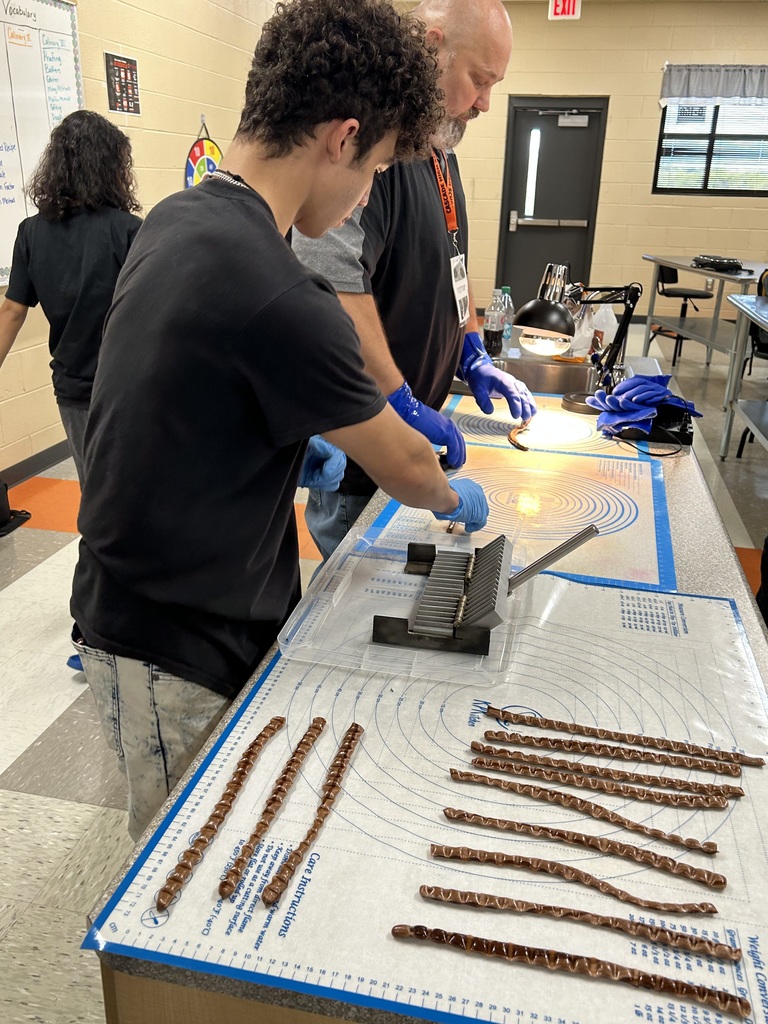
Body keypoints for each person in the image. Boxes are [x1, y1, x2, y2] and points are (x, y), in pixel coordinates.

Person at [69, 0, 489, 841]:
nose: (366, 194)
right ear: (342, 137)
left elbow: (182, 402)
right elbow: (407, 467)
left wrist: (289, 452)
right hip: (175, 640)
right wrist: (452, 497)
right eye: (375, 169)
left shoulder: (183, 216)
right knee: (188, 859)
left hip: (136, 602)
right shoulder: (279, 288)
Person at [293, 0, 537, 562]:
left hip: (414, 448)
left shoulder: (439, 151)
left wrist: (471, 348)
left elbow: (453, 257)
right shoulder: (374, 148)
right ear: (432, 48)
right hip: (367, 455)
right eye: (479, 80)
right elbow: (329, 277)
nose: (485, 102)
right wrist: (397, 399)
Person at [0, 110, 142, 485]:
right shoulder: (128, 231)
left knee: (94, 489)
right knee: (136, 490)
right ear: (110, 166)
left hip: (73, 389)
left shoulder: (30, 233)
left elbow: (11, 311)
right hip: (127, 388)